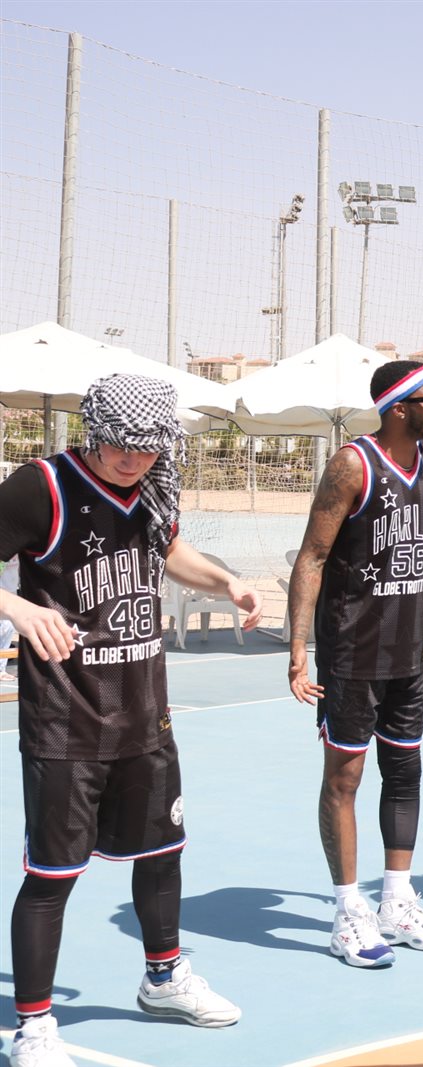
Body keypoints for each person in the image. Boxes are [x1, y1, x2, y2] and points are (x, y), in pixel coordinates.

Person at [1, 375, 261, 1067]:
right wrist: (17, 607)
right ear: (95, 431)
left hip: (145, 718)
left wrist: (226, 582)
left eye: (148, 449)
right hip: (65, 722)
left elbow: (169, 552)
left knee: (161, 853)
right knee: (53, 874)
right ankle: (34, 1026)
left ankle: (164, 978)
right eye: (120, 445)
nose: (132, 459)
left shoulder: (149, 489)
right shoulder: (41, 487)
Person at [287, 361, 423, 969]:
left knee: (405, 772)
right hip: (352, 653)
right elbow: (312, 557)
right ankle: (348, 913)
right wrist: (299, 648)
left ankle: (397, 901)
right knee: (345, 779)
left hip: (412, 650)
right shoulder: (352, 465)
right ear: (399, 407)